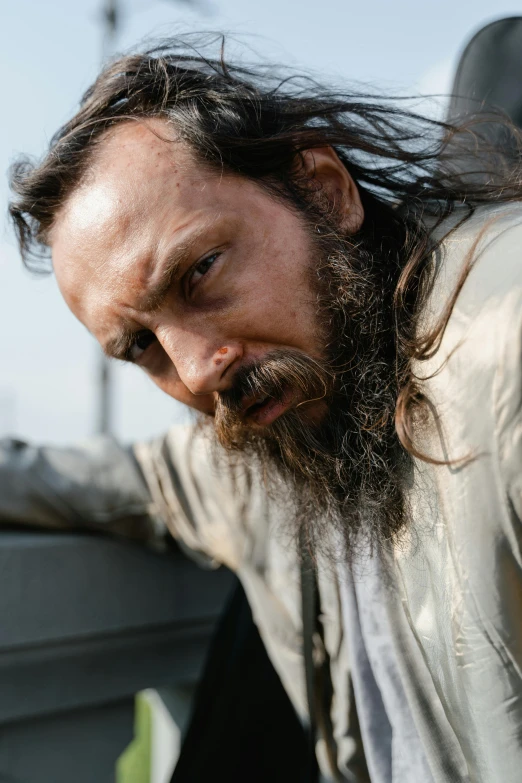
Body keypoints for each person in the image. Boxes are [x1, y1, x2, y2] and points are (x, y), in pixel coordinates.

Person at [5, 36, 522, 782]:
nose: (193, 371)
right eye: (141, 346)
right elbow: (126, 478)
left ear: (323, 191)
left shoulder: (501, 351)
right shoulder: (272, 445)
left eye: (200, 272)